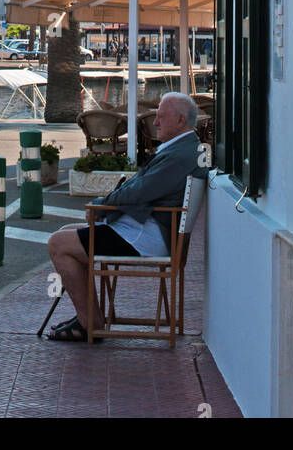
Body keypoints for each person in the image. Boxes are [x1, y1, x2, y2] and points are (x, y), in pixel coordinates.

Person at [46, 92, 206, 343]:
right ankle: (89, 317)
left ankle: (90, 324)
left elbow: (140, 191)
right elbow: (141, 189)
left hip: (145, 236)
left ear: (180, 120)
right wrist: (105, 207)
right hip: (146, 229)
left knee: (58, 243)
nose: (155, 123)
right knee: (69, 233)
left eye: (161, 117)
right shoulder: (184, 148)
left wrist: (101, 205)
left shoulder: (179, 156)